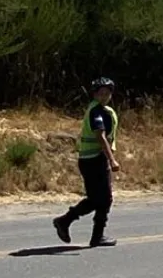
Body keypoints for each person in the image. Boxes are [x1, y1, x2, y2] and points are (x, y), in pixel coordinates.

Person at [52, 77, 120, 248]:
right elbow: (100, 135)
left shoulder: (104, 110)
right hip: (93, 160)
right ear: (95, 94)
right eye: (101, 93)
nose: (104, 96)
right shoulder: (96, 111)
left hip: (94, 160)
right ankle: (75, 226)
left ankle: (68, 222)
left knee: (99, 199)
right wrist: (112, 160)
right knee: (103, 199)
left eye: (107, 93)